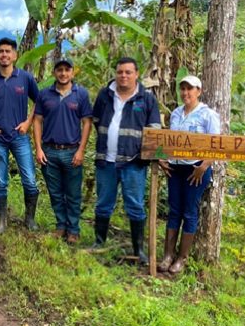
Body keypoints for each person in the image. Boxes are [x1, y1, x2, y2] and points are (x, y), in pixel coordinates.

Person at [91, 57, 161, 265]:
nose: (123, 76)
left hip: (133, 162)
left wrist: (142, 154)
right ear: (116, 73)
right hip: (106, 161)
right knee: (103, 203)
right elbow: (96, 121)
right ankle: (99, 241)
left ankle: (138, 249)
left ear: (136, 74)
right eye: (120, 72)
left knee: (135, 205)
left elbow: (155, 130)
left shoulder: (146, 100)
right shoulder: (105, 95)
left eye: (128, 72)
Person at [158, 75, 220, 274]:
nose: (186, 93)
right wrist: (162, 158)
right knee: (174, 210)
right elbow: (168, 141)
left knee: (189, 211)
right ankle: (168, 255)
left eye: (190, 89)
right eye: (183, 89)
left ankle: (181, 258)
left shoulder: (207, 115)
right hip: (175, 169)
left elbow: (217, 145)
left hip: (196, 169)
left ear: (198, 91)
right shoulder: (176, 114)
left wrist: (203, 166)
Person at [0, 37, 40, 234]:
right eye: (1, 51)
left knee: (29, 179)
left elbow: (39, 102)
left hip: (19, 136)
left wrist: (28, 122)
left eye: (8, 51)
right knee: (0, 181)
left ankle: (29, 219)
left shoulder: (26, 78)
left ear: (15, 55)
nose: (4, 55)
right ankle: (2, 222)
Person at [33, 59, 93, 244]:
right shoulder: (45, 94)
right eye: (59, 70)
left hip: (71, 151)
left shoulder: (81, 94)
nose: (63, 73)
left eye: (67, 70)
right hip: (49, 151)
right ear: (54, 73)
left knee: (73, 193)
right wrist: (38, 148)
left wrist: (81, 150)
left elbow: (87, 122)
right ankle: (61, 226)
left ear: (72, 73)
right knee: (55, 192)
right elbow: (37, 120)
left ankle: (73, 230)